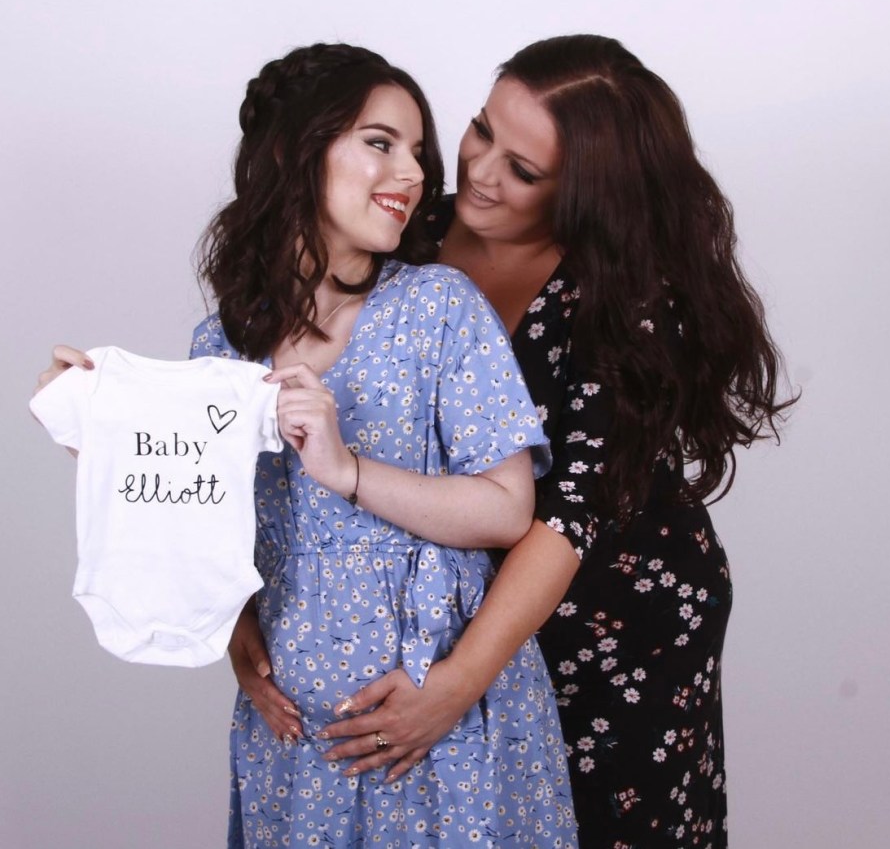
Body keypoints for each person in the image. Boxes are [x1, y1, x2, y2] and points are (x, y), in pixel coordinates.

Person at [230, 34, 795, 848]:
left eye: (524, 170)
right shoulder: (414, 233)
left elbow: (567, 518)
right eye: (479, 129)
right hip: (459, 596)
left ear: (589, 193)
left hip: (608, 608)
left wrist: (456, 684)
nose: (480, 171)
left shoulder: (624, 298)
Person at [37, 43, 578, 848]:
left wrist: (346, 468)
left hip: (439, 740)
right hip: (298, 752)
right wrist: (107, 439)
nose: (414, 175)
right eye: (380, 142)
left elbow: (508, 509)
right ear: (298, 150)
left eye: (419, 153)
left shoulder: (439, 308)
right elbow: (205, 525)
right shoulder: (223, 344)